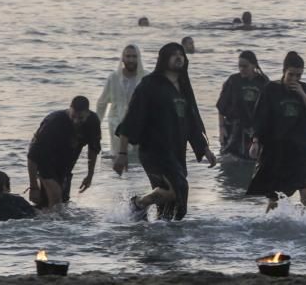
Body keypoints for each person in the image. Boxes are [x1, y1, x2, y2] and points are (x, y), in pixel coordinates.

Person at [114, 42, 216, 221]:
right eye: (174, 54)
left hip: (176, 150)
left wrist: (204, 149)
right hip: (154, 150)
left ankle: (160, 242)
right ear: (164, 59)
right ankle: (138, 203)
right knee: (179, 188)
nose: (179, 57)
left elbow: (192, 122)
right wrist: (122, 153)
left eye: (181, 54)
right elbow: (131, 119)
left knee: (173, 211)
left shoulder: (184, 88)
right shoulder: (150, 85)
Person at [247, 51, 306, 211]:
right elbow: (259, 118)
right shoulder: (271, 90)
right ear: (284, 71)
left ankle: (305, 229)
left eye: (299, 75)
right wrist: (255, 141)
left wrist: (303, 95)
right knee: (275, 200)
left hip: (302, 150)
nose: (295, 79)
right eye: (291, 75)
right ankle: (270, 230)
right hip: (277, 151)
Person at [27, 96, 101, 208]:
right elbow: (32, 154)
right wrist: (33, 187)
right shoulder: (54, 121)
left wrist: (90, 175)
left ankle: (43, 223)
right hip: (45, 161)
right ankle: (50, 224)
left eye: (80, 118)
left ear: (87, 113)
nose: (76, 121)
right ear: (69, 109)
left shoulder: (93, 121)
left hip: (66, 166)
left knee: (61, 203)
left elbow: (93, 149)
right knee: (56, 199)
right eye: (73, 117)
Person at [216, 51, 269, 160]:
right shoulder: (233, 80)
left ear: (254, 65)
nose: (241, 69)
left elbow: (268, 111)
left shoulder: (263, 82)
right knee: (229, 160)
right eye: (239, 66)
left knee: (253, 161)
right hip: (233, 129)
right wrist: (221, 128)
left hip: (255, 131)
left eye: (245, 66)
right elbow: (222, 106)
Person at [96, 44, 145, 156]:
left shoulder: (146, 78)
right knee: (118, 158)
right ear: (122, 58)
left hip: (140, 125)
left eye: (134, 56)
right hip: (116, 124)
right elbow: (101, 103)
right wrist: (95, 126)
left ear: (139, 58)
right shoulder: (113, 77)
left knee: (139, 161)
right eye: (128, 56)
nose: (131, 60)